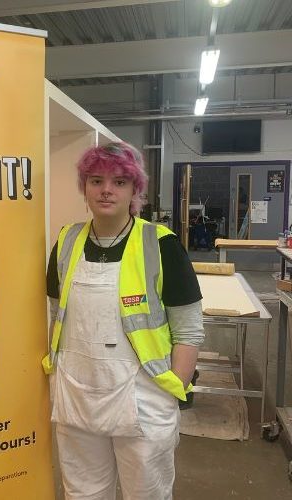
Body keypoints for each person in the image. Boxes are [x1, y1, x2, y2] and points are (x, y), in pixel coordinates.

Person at [42, 142, 204, 500]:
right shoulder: (66, 242)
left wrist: (173, 388)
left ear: (135, 190)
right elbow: (54, 314)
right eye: (96, 180)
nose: (106, 190)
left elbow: (189, 328)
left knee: (145, 493)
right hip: (77, 395)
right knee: (82, 492)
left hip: (143, 399)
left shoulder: (161, 245)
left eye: (119, 182)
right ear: (84, 187)